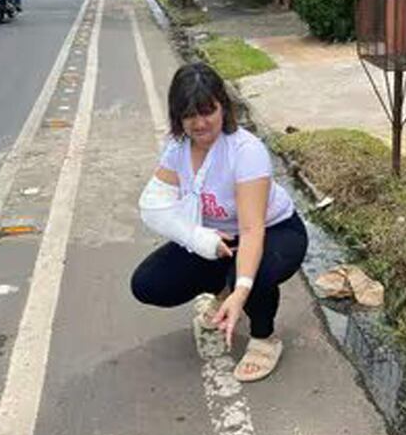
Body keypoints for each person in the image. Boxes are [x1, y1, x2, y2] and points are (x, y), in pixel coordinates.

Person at [131, 62, 308, 382]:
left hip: (274, 232)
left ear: (223, 108)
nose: (199, 123)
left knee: (255, 272)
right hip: (219, 241)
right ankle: (223, 285)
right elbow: (154, 207)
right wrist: (199, 240)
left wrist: (242, 291)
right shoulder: (177, 149)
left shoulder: (246, 151)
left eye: (207, 111)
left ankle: (265, 338)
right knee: (147, 283)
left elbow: (252, 230)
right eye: (188, 115)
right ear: (177, 117)